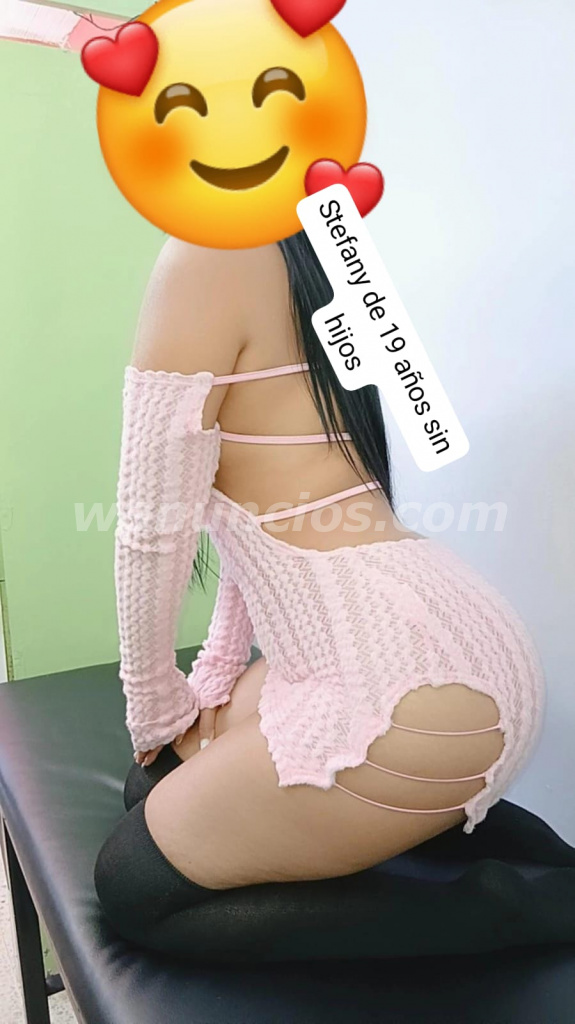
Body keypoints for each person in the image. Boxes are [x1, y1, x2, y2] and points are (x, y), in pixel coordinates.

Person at [94, 230, 545, 952]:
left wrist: (150, 707)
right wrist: (212, 673)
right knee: (154, 786)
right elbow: (252, 517)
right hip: (459, 640)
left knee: (133, 883)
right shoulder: (313, 245)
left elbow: (152, 532)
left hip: (409, 694)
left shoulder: (203, 253)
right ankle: (516, 848)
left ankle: (498, 908)